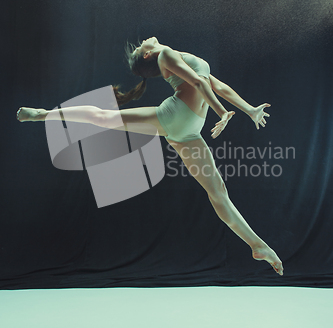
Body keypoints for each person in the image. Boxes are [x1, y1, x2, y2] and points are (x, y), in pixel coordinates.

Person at [17, 36, 283, 275]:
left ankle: (257, 246)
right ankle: (42, 114)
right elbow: (200, 82)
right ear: (147, 54)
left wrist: (250, 110)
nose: (144, 39)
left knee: (217, 191)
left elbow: (217, 85)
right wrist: (222, 112)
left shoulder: (175, 55)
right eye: (141, 44)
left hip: (187, 130)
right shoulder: (165, 53)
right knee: (103, 117)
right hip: (176, 116)